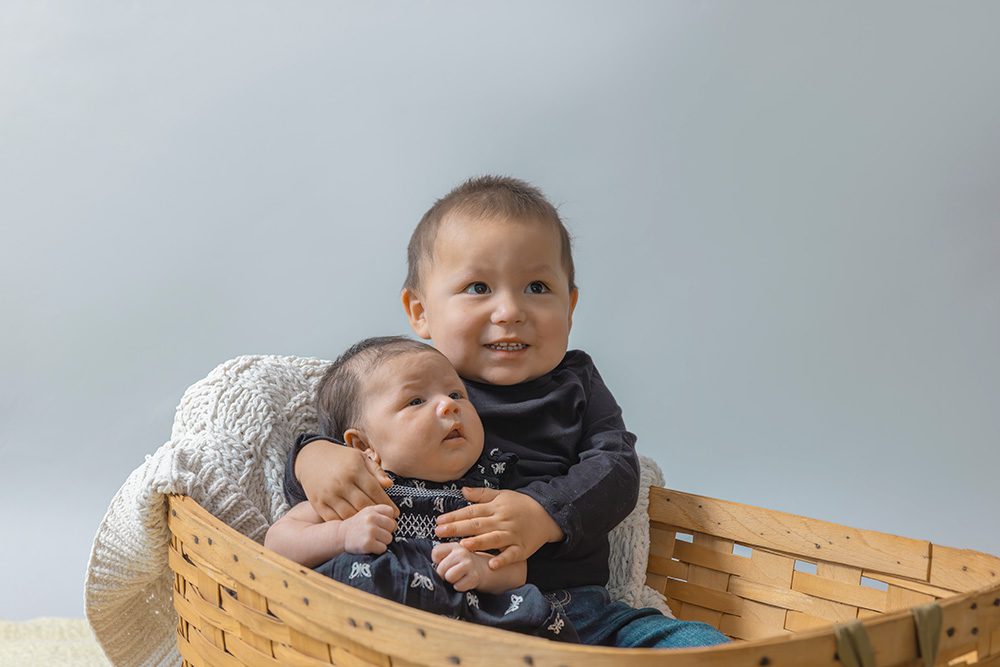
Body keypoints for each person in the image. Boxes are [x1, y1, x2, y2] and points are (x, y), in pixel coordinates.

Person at [283, 176, 728, 648]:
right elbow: (349, 456)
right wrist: (312, 457)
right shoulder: (409, 383)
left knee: (694, 644)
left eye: (537, 286)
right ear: (421, 311)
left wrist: (544, 514)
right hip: (436, 603)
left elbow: (615, 467)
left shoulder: (575, 385)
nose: (510, 310)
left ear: (570, 306)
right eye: (478, 287)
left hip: (572, 607)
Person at [266, 336, 577, 642]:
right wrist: (341, 535)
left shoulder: (485, 491)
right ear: (363, 445)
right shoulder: (361, 489)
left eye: (457, 394)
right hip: (363, 624)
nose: (448, 406)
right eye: (416, 401)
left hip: (465, 636)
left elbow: (516, 567)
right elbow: (278, 543)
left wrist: (482, 570)